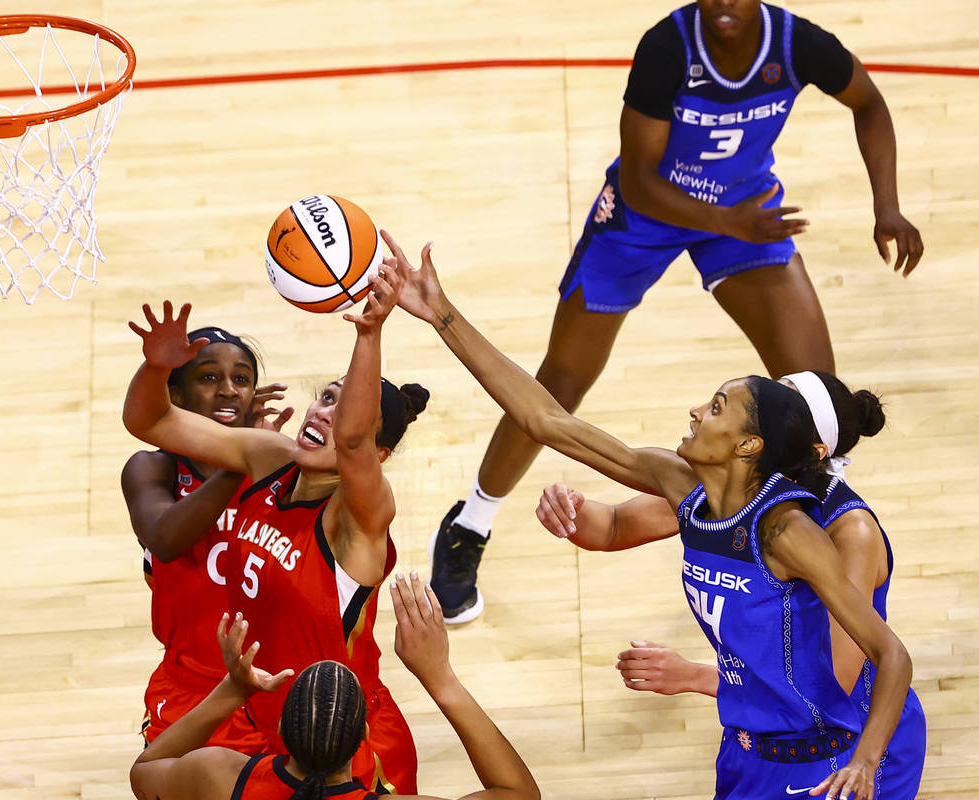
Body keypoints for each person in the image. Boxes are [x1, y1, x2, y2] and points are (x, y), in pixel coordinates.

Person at [427, 0, 925, 625]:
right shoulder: (667, 48)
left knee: (815, 397)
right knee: (562, 381)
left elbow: (870, 104)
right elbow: (638, 179)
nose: (722, 3)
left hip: (743, 216)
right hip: (645, 216)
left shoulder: (799, 45)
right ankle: (471, 522)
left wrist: (888, 205)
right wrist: (728, 220)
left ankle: (812, 552)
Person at [384, 232, 912, 800]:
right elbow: (545, 420)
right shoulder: (681, 482)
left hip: (827, 757)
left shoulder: (790, 533)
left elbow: (889, 656)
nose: (695, 410)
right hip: (746, 748)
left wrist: (866, 762)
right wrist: (440, 314)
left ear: (749, 446)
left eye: (716, 408)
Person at [533, 370, 925, 799]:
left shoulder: (849, 534)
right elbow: (610, 527)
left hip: (859, 742)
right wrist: (570, 511)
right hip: (761, 736)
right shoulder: (729, 492)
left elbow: (830, 679)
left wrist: (696, 676)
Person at [123, 281, 428, 793]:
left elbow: (352, 442)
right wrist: (157, 367)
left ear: (378, 456)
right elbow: (148, 420)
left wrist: (369, 334)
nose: (325, 414)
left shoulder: (358, 517)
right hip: (261, 713)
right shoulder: (270, 458)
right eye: (325, 398)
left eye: (345, 408)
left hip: (344, 735)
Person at [128, 573, 540, 800]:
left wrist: (232, 693)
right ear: (364, 736)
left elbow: (144, 772)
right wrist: (440, 679)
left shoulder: (219, 777)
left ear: (279, 735)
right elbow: (519, 794)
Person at [123, 326, 294, 747]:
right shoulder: (151, 469)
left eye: (241, 379)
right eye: (208, 378)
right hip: (192, 689)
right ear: (175, 397)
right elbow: (165, 539)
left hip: (275, 683)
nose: (228, 390)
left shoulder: (284, 471)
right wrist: (240, 461)